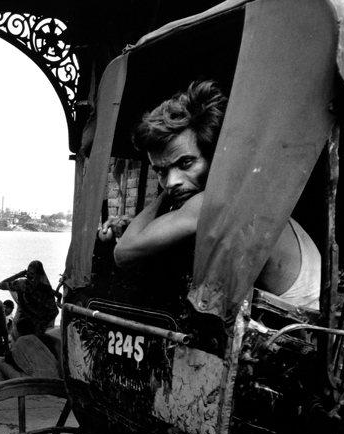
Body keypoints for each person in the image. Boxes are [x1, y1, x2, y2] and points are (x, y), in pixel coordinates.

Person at [105, 80, 321, 308]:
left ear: (216, 157)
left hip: (302, 333)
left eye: (185, 163)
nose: (172, 182)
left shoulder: (212, 201)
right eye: (161, 171)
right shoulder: (244, 194)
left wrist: (165, 196)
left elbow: (124, 253)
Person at [0, 261, 60, 337]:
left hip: (22, 324)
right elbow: (53, 309)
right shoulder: (46, 288)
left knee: (20, 345)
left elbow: (0, 285)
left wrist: (18, 275)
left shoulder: (22, 284)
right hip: (38, 328)